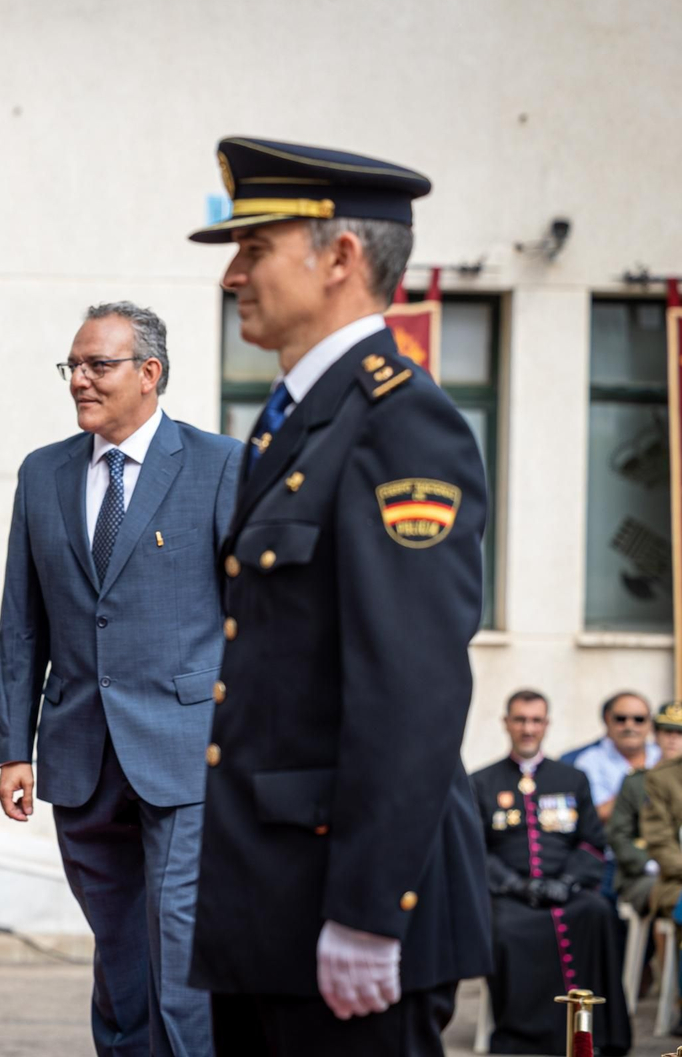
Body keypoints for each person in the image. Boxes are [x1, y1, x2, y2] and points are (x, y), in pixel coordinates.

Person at [186, 136, 491, 1056]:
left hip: (344, 915)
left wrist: (367, 912)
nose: (233, 275)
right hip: (270, 904)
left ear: (341, 259)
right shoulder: (292, 423)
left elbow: (413, 690)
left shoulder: (401, 425)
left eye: (255, 250)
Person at [0, 301, 239, 1056]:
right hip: (81, 754)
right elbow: (20, 622)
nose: (80, 381)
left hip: (187, 750)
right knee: (120, 945)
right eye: (74, 366)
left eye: (98, 365)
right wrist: (12, 747)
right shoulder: (43, 473)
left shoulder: (220, 464)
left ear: (150, 373)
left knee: (177, 939)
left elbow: (253, 617)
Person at [471, 690, 631, 1054]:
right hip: (511, 895)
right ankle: (526, 1038)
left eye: (535, 720)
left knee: (598, 913)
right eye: (520, 720)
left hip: (567, 891)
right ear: (506, 723)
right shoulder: (481, 781)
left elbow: (592, 842)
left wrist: (567, 882)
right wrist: (513, 884)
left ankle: (600, 1037)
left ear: (546, 725)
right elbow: (475, 850)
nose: (528, 728)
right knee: (507, 929)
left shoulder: (572, 778)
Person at [610, 701, 682, 914]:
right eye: (666, 731)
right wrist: (652, 864)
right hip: (646, 873)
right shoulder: (636, 781)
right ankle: (662, 949)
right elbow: (618, 835)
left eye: (679, 733)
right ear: (656, 734)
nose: (672, 738)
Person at [574, 692, 660, 822]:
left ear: (650, 723)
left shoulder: (661, 755)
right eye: (621, 719)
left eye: (639, 719)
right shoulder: (590, 761)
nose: (629, 726)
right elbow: (595, 814)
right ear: (608, 720)